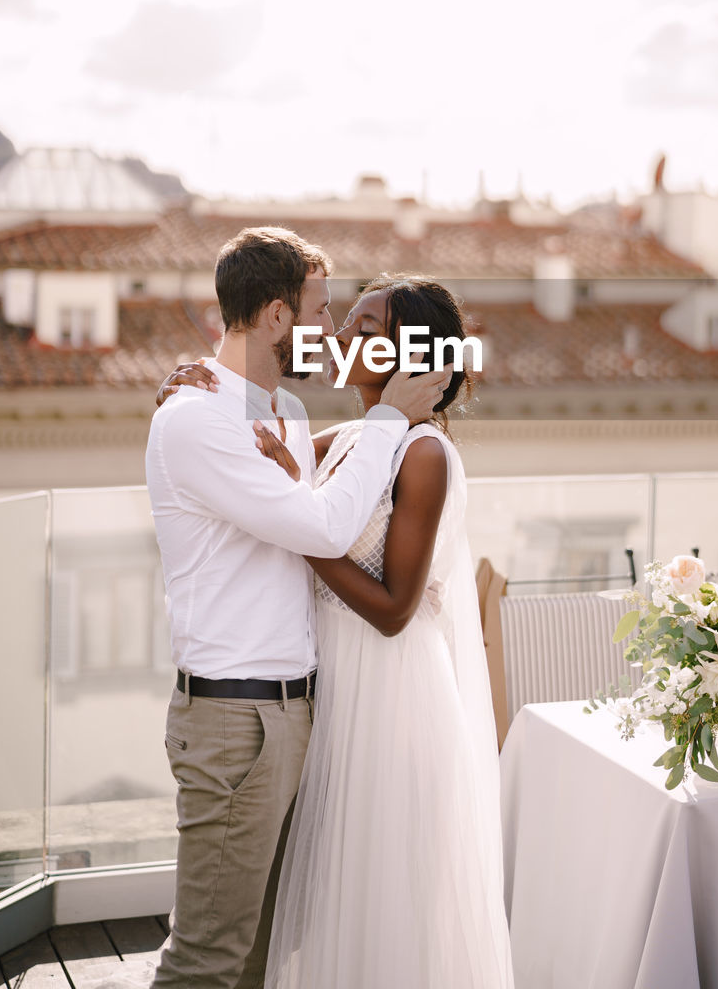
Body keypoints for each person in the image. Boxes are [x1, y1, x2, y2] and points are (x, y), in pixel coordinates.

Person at [145, 228, 452, 989]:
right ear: (278, 316)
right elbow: (321, 525)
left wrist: (399, 415)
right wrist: (390, 420)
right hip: (235, 719)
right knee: (207, 959)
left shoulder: (276, 410)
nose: (335, 331)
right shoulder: (196, 420)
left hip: (296, 713)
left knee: (263, 951)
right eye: (322, 311)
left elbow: (324, 479)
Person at [254, 276, 515, 989]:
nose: (343, 337)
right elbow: (260, 435)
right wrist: (195, 382)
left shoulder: (423, 455)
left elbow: (396, 608)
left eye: (367, 328)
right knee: (339, 894)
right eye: (351, 322)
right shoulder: (354, 437)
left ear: (412, 355)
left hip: (393, 698)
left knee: (384, 900)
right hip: (338, 685)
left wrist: (299, 530)